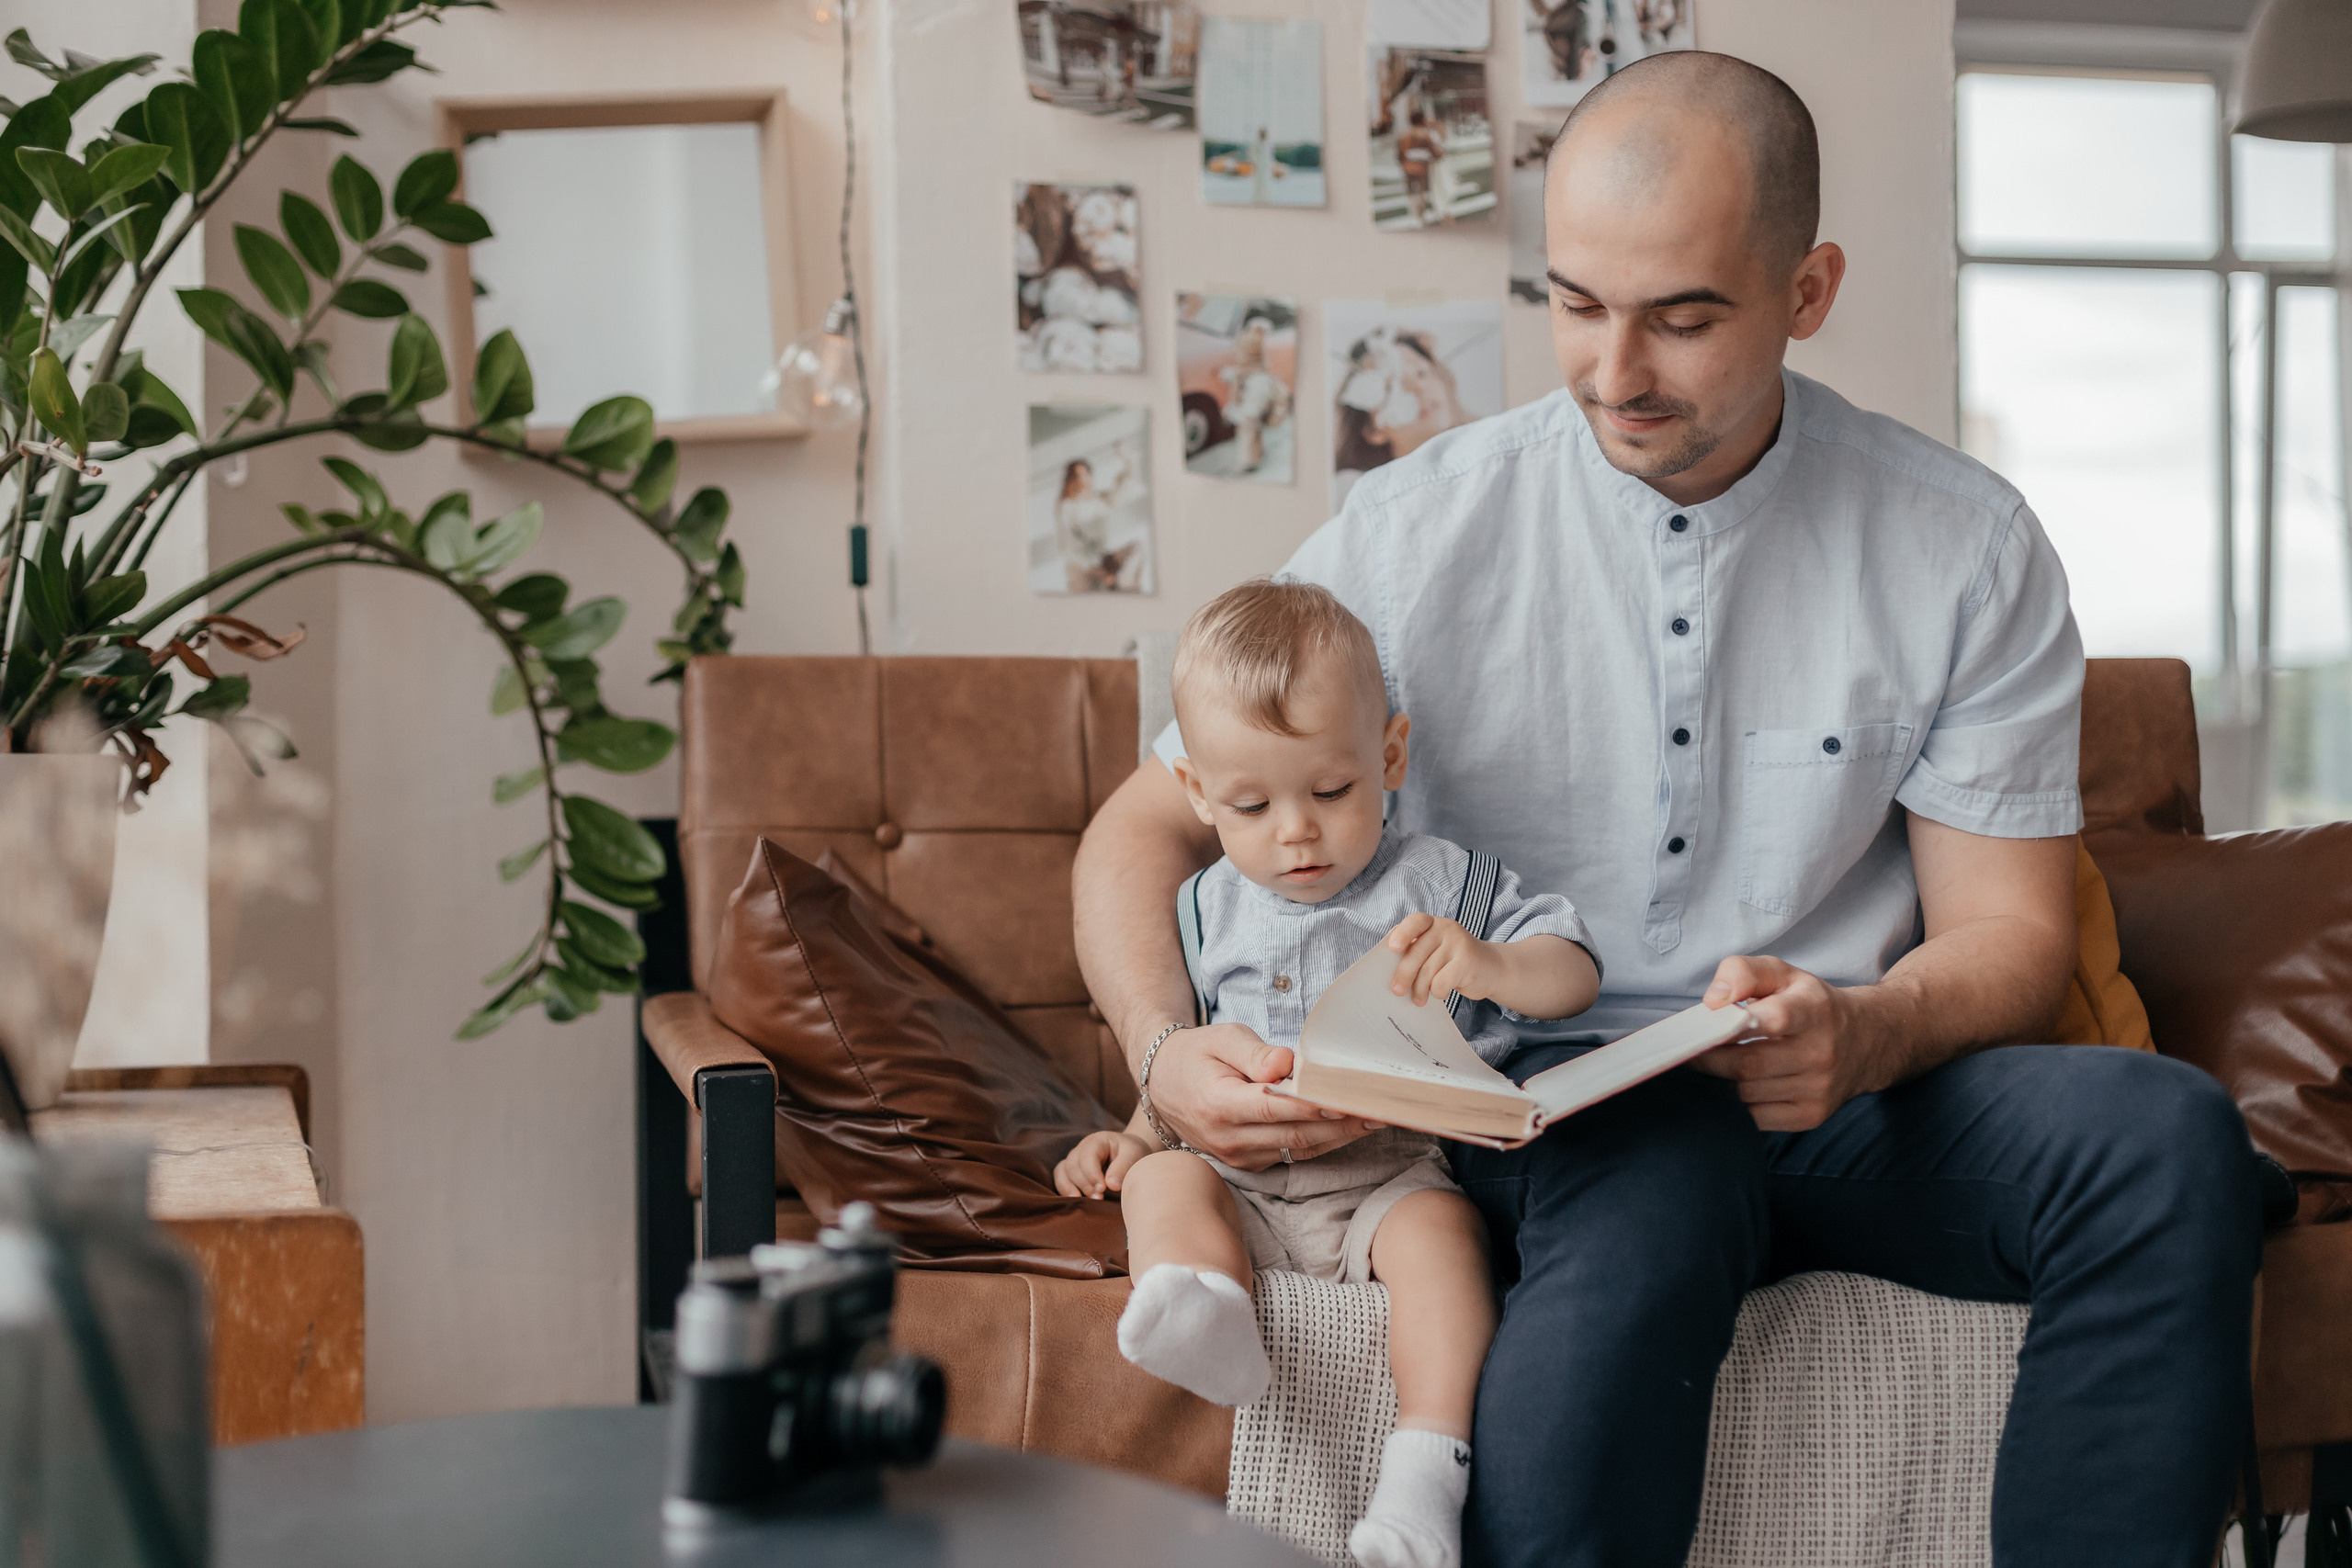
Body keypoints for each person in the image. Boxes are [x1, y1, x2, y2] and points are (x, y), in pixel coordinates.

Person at [1070, 49, 2263, 1568]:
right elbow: (1142, 826)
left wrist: (1872, 1027)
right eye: (1574, 302)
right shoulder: (1415, 531)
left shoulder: (1965, 546)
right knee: (1669, 1166)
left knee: (2166, 1137)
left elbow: (2011, 938)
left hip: (1844, 1077)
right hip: (1551, 1101)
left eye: (1684, 316)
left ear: (1807, 288)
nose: (1614, 370)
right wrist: (1167, 1054)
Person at [1054, 580, 1600, 1568]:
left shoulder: (1436, 881)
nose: (1295, 831)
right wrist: (1132, 1136)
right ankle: (1202, 1306)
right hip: (1234, 1183)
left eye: (1332, 791)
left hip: (1387, 1178)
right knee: (1159, 1179)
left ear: (1389, 756)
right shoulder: (1203, 907)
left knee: (1446, 1241)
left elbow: (1571, 970)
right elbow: (1181, 1061)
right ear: (1194, 794)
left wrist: (1487, 964)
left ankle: (1424, 1471)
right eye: (1251, 805)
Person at [1054, 449, 1139, 592]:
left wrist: (1128, 461)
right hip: (1082, 565)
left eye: (1085, 474)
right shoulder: (1066, 507)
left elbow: (1123, 492)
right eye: (1077, 475)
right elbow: (1067, 543)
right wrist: (1090, 565)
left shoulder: (1099, 500)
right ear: (1071, 479)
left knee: (1137, 548)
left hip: (1105, 560)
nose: (1082, 479)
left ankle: (1117, 583)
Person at [1219, 315, 1291, 473]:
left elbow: (1255, 404)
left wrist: (1246, 413)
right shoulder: (1249, 371)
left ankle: (1249, 462)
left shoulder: (1256, 377)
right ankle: (1256, 456)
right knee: (1254, 434)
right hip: (1251, 411)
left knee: (1249, 435)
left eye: (1240, 352)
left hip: (1250, 413)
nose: (1238, 355)